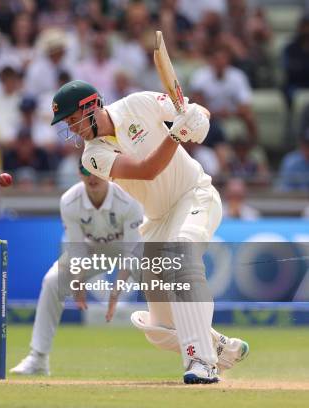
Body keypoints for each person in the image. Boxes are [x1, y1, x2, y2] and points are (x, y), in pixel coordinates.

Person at [49, 80, 249, 384]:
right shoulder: (92, 156)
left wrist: (198, 117)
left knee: (181, 254)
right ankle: (220, 346)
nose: (72, 128)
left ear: (91, 106)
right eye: (66, 123)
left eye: (73, 118)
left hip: (194, 195)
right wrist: (178, 133)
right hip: (156, 220)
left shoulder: (138, 103)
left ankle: (202, 361)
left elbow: (197, 111)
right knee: (158, 328)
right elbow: (146, 170)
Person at [10, 160, 144, 375]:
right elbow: (77, 249)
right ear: (78, 173)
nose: (92, 177)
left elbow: (131, 252)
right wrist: (78, 281)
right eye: (85, 171)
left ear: (108, 172)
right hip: (93, 250)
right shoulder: (70, 201)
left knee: (162, 286)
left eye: (97, 170)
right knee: (53, 282)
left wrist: (116, 291)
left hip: (131, 250)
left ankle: (193, 354)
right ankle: (38, 358)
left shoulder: (128, 199)